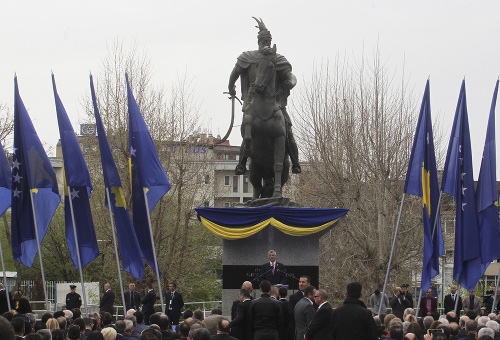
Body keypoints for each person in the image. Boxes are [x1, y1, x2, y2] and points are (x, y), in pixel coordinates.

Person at [228, 17, 300, 176]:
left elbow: (291, 75)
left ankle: (295, 162)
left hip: (275, 105)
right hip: (253, 103)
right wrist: (230, 87)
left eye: (268, 40)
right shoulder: (248, 57)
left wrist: (291, 82)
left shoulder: (277, 59)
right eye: (263, 40)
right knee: (248, 128)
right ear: (259, 41)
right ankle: (241, 163)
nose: (266, 42)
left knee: (287, 130)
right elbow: (234, 74)